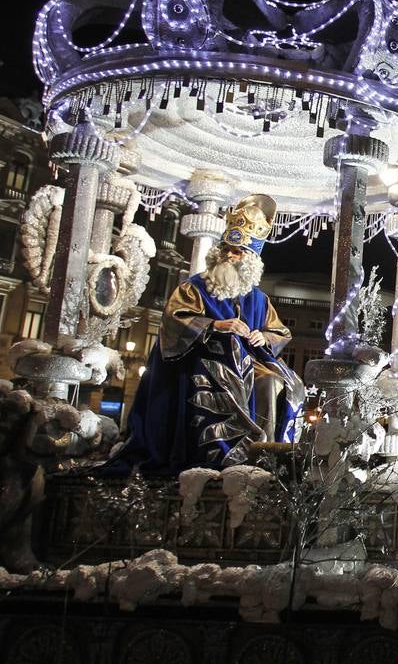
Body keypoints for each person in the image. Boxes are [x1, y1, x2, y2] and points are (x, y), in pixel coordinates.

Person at [116, 194, 305, 473]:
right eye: (227, 248)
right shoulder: (193, 287)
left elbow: (279, 331)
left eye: (237, 251)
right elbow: (175, 320)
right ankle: (229, 453)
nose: (229, 255)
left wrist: (263, 337)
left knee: (282, 383)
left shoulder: (259, 299)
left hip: (249, 361)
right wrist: (217, 326)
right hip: (204, 358)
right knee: (251, 379)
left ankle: (264, 451)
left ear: (250, 259)